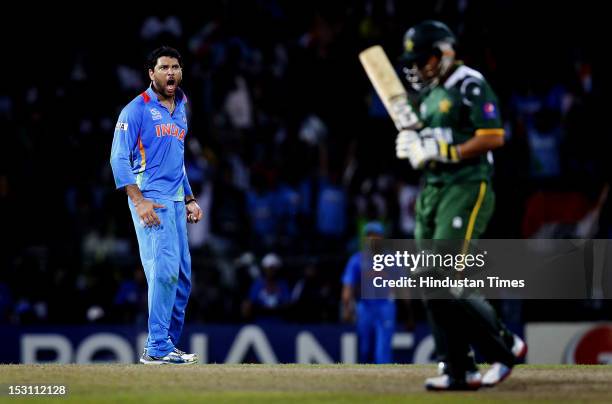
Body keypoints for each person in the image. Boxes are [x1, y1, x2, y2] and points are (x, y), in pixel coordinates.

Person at [394, 21, 526, 390]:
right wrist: (414, 148)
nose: (417, 67)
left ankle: (505, 344)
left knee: (442, 276)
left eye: (423, 59)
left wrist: (445, 150)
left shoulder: (470, 82)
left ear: (443, 53)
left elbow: (493, 136)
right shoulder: (431, 94)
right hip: (433, 189)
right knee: (427, 279)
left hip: (467, 186)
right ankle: (457, 367)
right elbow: (426, 138)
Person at [110, 46, 202, 365]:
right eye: (164, 67)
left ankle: (166, 345)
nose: (171, 72)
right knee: (163, 273)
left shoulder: (181, 108)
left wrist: (189, 198)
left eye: (175, 67)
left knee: (182, 278)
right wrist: (139, 201)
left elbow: (177, 161)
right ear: (152, 73)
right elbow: (118, 159)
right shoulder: (135, 110)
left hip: (176, 200)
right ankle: (157, 347)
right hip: (151, 199)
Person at [341, 221, 396, 364]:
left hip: (385, 306)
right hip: (364, 307)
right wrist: (347, 308)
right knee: (365, 349)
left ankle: (385, 381)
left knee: (382, 351)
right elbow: (348, 286)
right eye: (369, 235)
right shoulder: (356, 260)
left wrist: (409, 313)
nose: (372, 238)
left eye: (376, 235)